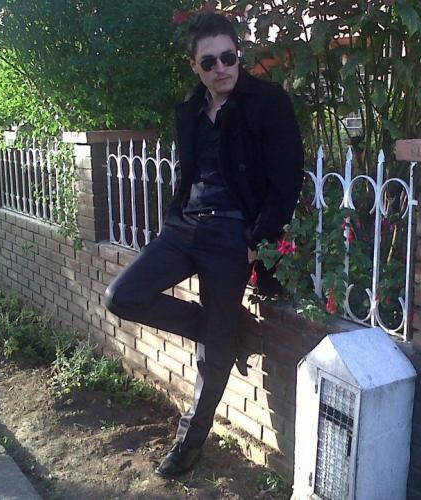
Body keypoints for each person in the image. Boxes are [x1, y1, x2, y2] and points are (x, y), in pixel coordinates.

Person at [104, 12, 304, 477]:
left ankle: (189, 443)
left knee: (213, 355)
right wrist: (173, 217)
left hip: (233, 236)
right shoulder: (193, 107)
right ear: (195, 66)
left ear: (239, 55)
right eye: (209, 61)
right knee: (122, 297)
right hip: (184, 229)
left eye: (228, 57)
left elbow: (287, 178)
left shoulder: (267, 102)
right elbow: (188, 171)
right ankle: (223, 331)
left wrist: (260, 239)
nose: (221, 68)